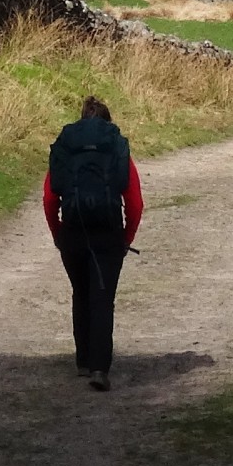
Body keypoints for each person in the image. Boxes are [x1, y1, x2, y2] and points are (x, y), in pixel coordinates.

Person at [43, 96, 143, 391]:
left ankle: (83, 360)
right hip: (108, 234)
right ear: (108, 121)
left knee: (81, 293)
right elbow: (135, 202)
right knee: (102, 298)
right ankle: (100, 368)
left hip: (72, 231)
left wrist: (57, 233)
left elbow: (50, 198)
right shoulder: (116, 148)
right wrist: (126, 237)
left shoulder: (67, 148)